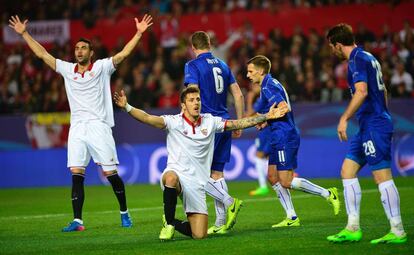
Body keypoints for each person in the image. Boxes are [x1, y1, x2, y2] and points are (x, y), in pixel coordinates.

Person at [8, 14, 153, 232]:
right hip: (77, 128)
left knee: (110, 174)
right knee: (76, 173)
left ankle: (124, 213)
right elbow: (42, 54)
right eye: (77, 48)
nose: (79, 51)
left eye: (83, 48)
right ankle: (78, 221)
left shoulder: (101, 68)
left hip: (99, 126)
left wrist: (139, 33)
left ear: (91, 52)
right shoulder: (67, 70)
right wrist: (24, 34)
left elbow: (123, 54)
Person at [113, 86, 287, 240]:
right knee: (171, 178)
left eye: (197, 99)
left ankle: (170, 219)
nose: (196, 103)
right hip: (177, 175)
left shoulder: (210, 121)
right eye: (191, 100)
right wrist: (127, 107)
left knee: (199, 235)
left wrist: (266, 116)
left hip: (197, 185)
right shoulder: (174, 122)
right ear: (183, 105)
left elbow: (237, 123)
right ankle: (168, 226)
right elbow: (148, 118)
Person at [326, 23, 407, 244]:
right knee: (347, 170)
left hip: (374, 124)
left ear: (338, 44)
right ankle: (352, 228)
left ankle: (397, 230)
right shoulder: (368, 57)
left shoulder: (356, 60)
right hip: (368, 124)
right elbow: (384, 91)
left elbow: (361, 91)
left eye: (332, 47)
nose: (332, 51)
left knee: (381, 175)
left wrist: (344, 118)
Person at [246, 55, 340, 228]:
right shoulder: (270, 84)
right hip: (277, 134)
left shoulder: (268, 87)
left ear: (260, 71)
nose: (248, 75)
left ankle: (328, 193)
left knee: (286, 181)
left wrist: (265, 117)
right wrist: (267, 122)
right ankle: (292, 217)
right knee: (273, 177)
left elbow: (284, 107)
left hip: (284, 136)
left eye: (250, 71)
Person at [184, 31, 245, 234]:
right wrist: (240, 121)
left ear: (193, 48)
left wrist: (188, 118)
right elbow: (237, 93)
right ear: (209, 44)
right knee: (217, 173)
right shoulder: (223, 64)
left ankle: (230, 203)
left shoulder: (192, 65)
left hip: (206, 124)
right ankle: (220, 223)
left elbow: (192, 92)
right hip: (225, 121)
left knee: (196, 175)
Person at [245, 83, 270, 196]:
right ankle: (288, 176)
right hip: (269, 130)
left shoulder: (262, 98)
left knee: (259, 156)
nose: (252, 88)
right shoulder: (265, 97)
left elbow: (249, 116)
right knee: (268, 156)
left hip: (266, 131)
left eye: (255, 85)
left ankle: (263, 186)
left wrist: (249, 100)